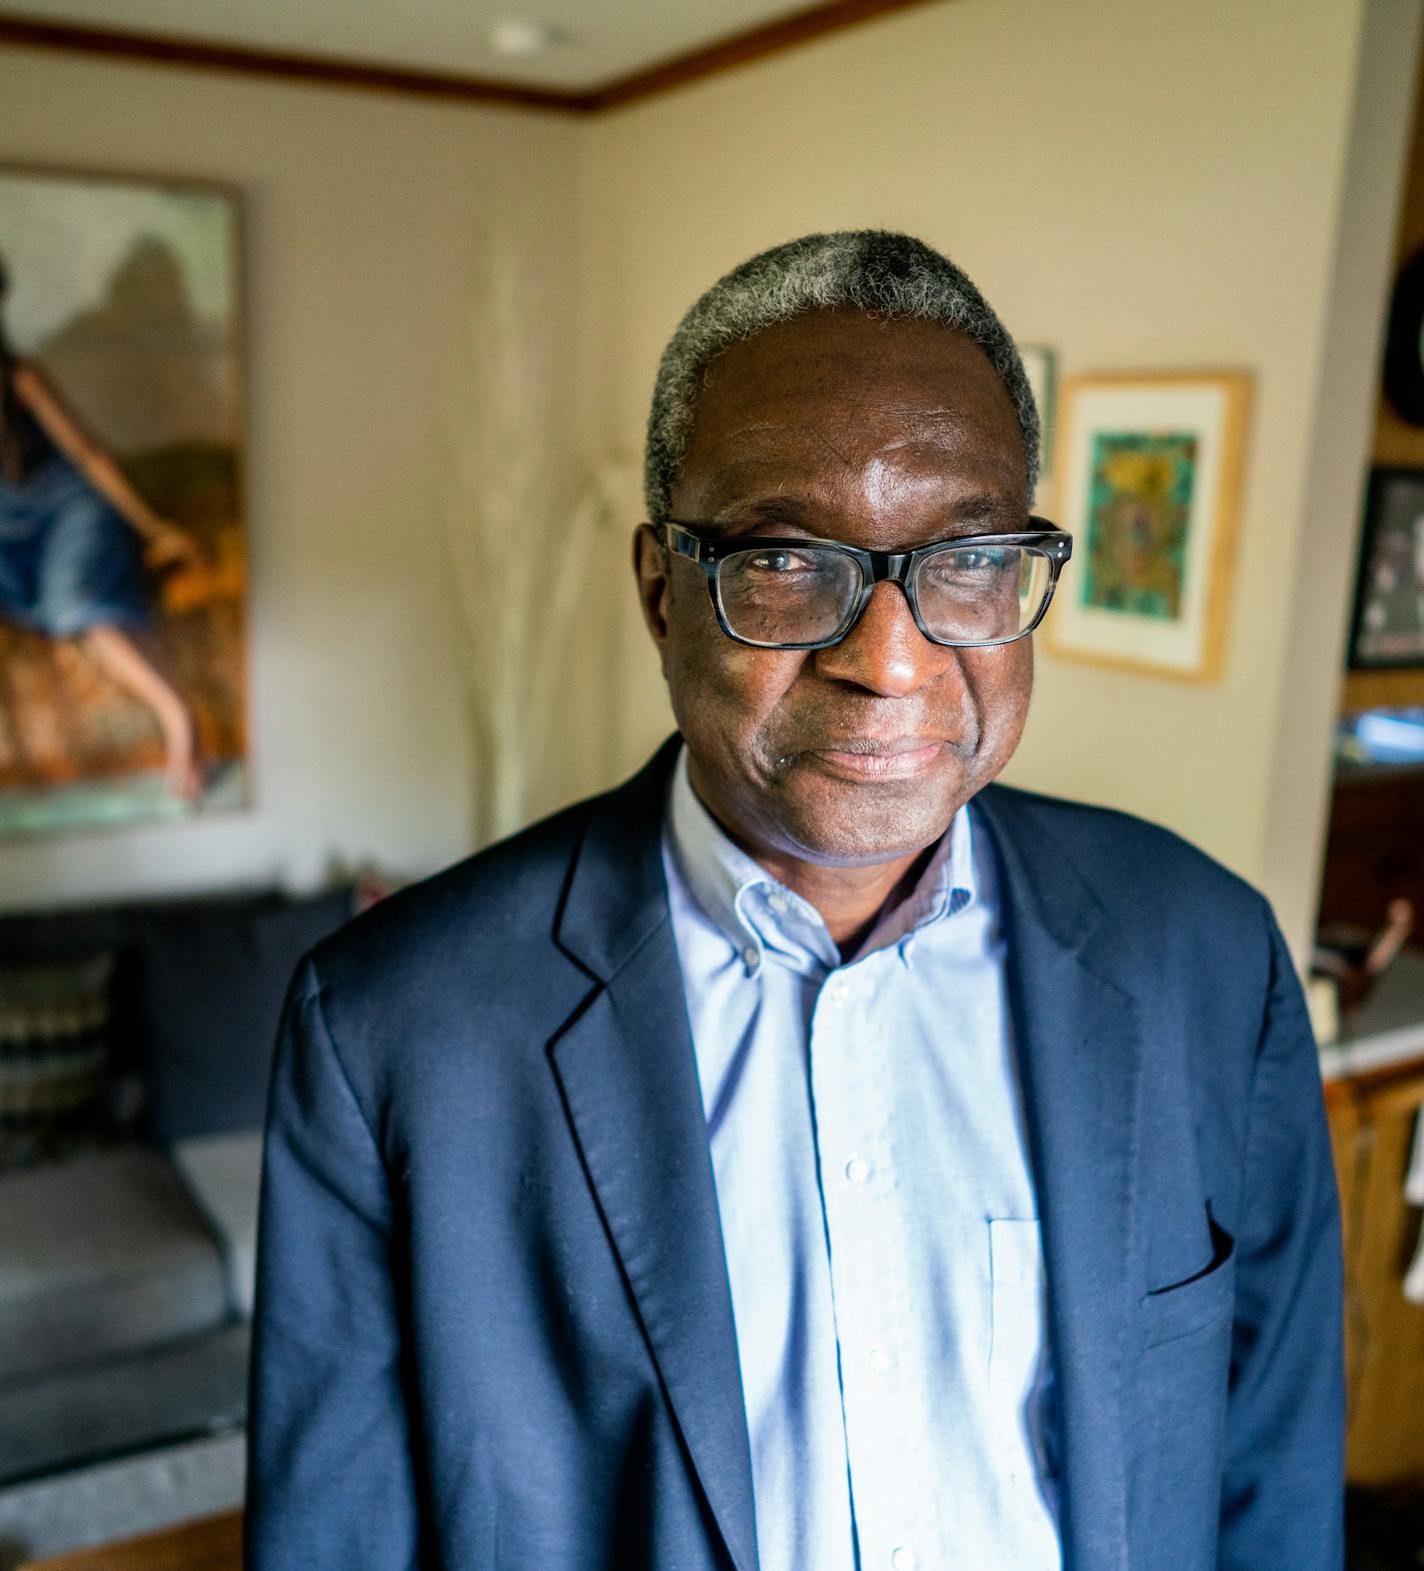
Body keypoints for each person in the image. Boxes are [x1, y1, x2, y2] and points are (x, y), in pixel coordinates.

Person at [246, 232, 1343, 1571]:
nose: (889, 659)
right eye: (782, 557)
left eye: (971, 553)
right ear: (662, 592)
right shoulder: (393, 1027)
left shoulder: (1205, 954)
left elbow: (1272, 1482)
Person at [0, 253, 205, 798]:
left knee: (77, 607)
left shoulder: (20, 378)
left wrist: (151, 525)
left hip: (67, 508)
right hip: (7, 530)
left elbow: (90, 456)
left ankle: (177, 717)